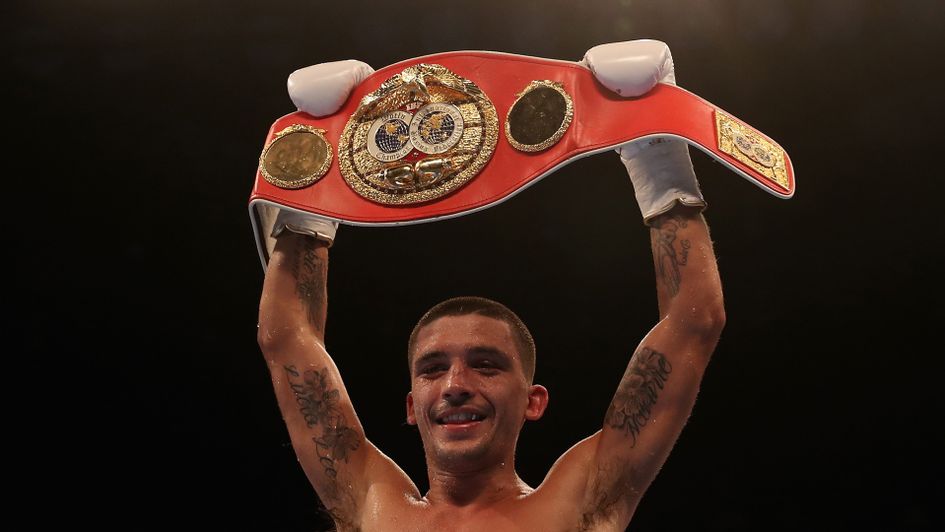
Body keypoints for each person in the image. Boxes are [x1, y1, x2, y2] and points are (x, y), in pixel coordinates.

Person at [256, 40, 725, 531]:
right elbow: (287, 343)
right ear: (412, 406)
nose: (456, 386)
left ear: (533, 400)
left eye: (486, 365)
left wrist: (654, 145)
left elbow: (694, 323)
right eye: (433, 369)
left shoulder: (577, 505)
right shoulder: (373, 508)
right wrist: (306, 188)